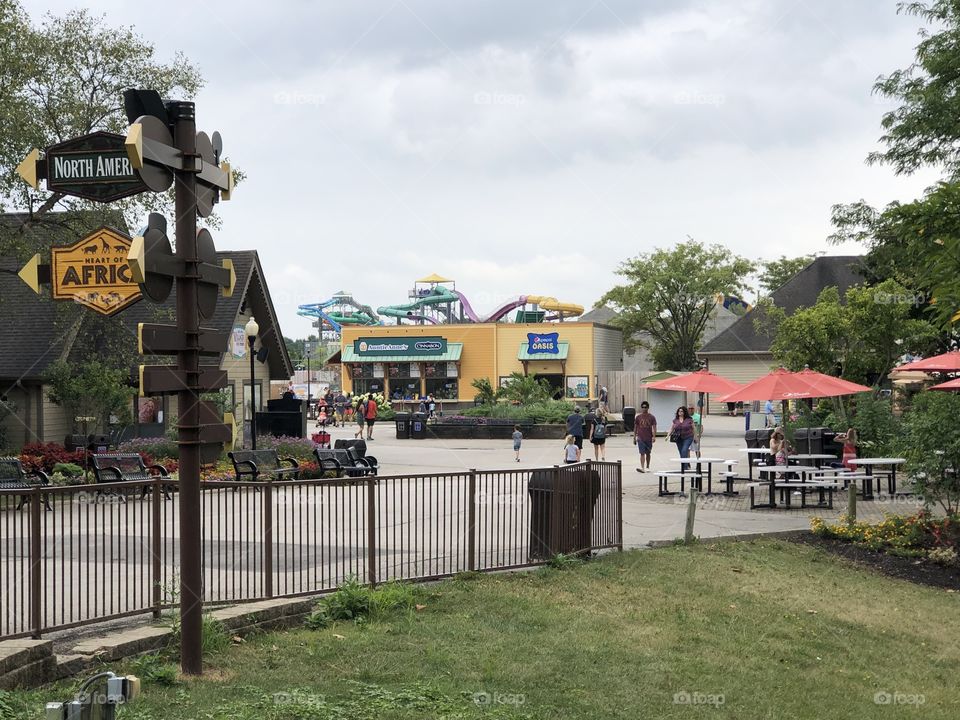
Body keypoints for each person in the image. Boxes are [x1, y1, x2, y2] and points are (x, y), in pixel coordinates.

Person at [633, 401, 657, 473]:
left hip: (648, 437)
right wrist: (634, 437)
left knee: (648, 453)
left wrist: (654, 436)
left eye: (645, 407)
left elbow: (654, 427)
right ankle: (642, 467)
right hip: (640, 438)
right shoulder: (638, 417)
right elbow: (635, 427)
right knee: (642, 453)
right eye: (643, 407)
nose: (644, 408)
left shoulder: (652, 417)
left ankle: (647, 466)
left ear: (648, 408)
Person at [670, 406, 696, 471]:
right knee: (681, 452)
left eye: (681, 411)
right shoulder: (675, 420)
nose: (680, 412)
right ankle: (684, 465)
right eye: (679, 411)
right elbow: (672, 428)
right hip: (678, 438)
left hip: (688, 437)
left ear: (684, 412)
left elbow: (694, 428)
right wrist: (668, 435)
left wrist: (695, 437)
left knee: (684, 450)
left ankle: (685, 467)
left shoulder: (689, 419)